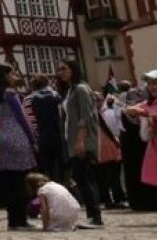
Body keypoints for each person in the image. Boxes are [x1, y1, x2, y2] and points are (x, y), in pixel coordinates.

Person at [124, 69, 157, 230]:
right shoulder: (150, 103)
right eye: (149, 84)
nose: (152, 87)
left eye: (155, 83)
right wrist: (133, 111)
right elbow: (130, 110)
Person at [0, 63, 37, 231]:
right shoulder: (10, 93)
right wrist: (32, 139)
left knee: (10, 180)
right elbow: (22, 117)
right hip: (16, 135)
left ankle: (13, 220)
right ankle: (21, 220)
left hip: (2, 136)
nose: (15, 76)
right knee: (20, 181)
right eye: (12, 73)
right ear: (6, 76)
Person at [56, 58, 103, 228]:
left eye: (64, 69)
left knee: (85, 179)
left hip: (80, 140)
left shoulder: (81, 89)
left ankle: (95, 217)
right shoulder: (70, 90)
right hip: (72, 140)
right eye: (59, 69)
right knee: (82, 178)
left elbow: (86, 116)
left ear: (73, 69)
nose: (60, 72)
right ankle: (92, 215)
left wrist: (80, 140)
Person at [25, 75, 63, 183]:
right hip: (57, 136)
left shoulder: (28, 100)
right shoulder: (56, 96)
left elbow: (29, 122)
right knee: (59, 169)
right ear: (47, 83)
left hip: (40, 138)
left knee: (44, 171)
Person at [95, 93, 126, 209]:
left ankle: (114, 198)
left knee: (112, 176)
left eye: (97, 100)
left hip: (109, 147)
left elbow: (115, 131)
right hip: (102, 148)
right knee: (106, 176)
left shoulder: (106, 114)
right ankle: (111, 199)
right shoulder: (104, 113)